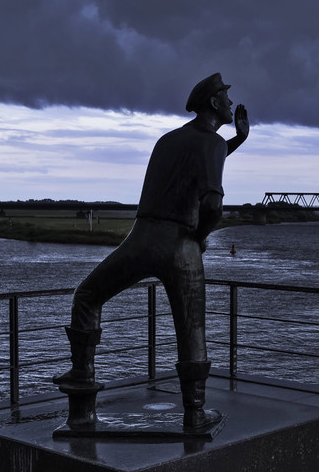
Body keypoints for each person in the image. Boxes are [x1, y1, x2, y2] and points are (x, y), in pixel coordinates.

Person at [53, 73, 249, 429]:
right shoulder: (212, 145)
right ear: (213, 103)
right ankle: (195, 412)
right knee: (192, 331)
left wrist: (236, 139)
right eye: (225, 96)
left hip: (142, 237)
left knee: (87, 296)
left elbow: (202, 152)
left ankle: (82, 384)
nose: (231, 103)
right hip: (180, 245)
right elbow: (214, 207)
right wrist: (201, 237)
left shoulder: (170, 139)